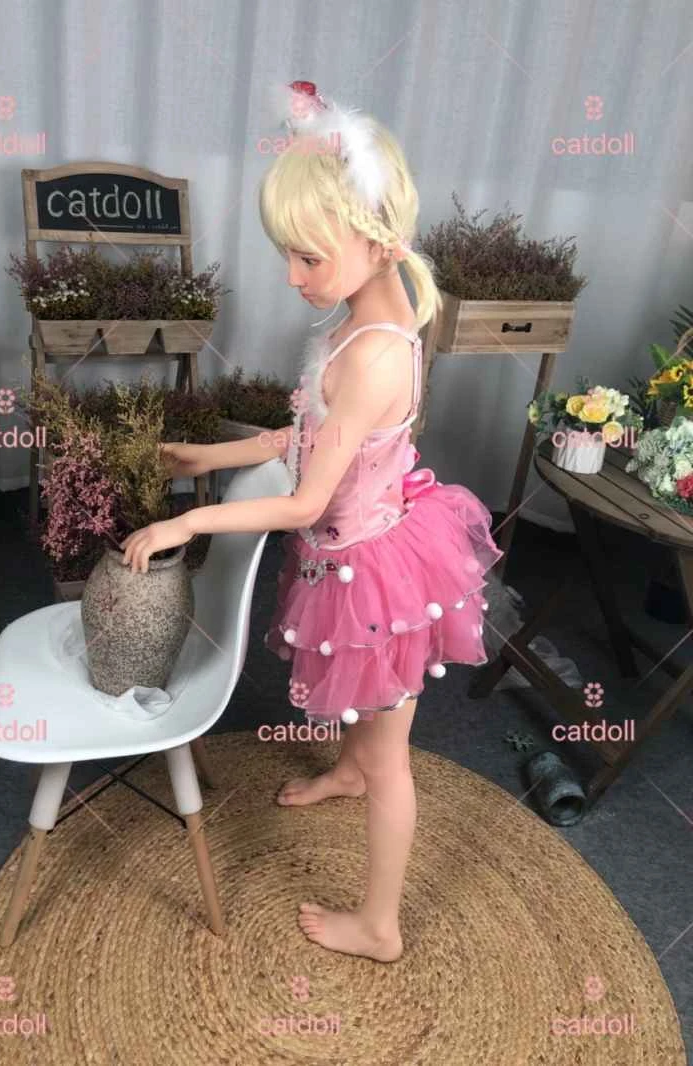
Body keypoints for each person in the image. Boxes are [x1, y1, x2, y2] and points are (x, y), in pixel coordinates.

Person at [121, 82, 503, 963]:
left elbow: (305, 502)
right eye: (286, 255)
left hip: (378, 575)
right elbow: (305, 437)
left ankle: (381, 923)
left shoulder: (373, 357)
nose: (292, 277)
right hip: (351, 551)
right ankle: (348, 768)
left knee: (393, 754)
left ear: (377, 240)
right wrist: (210, 456)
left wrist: (190, 524)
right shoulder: (357, 320)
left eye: (306, 258)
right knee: (363, 720)